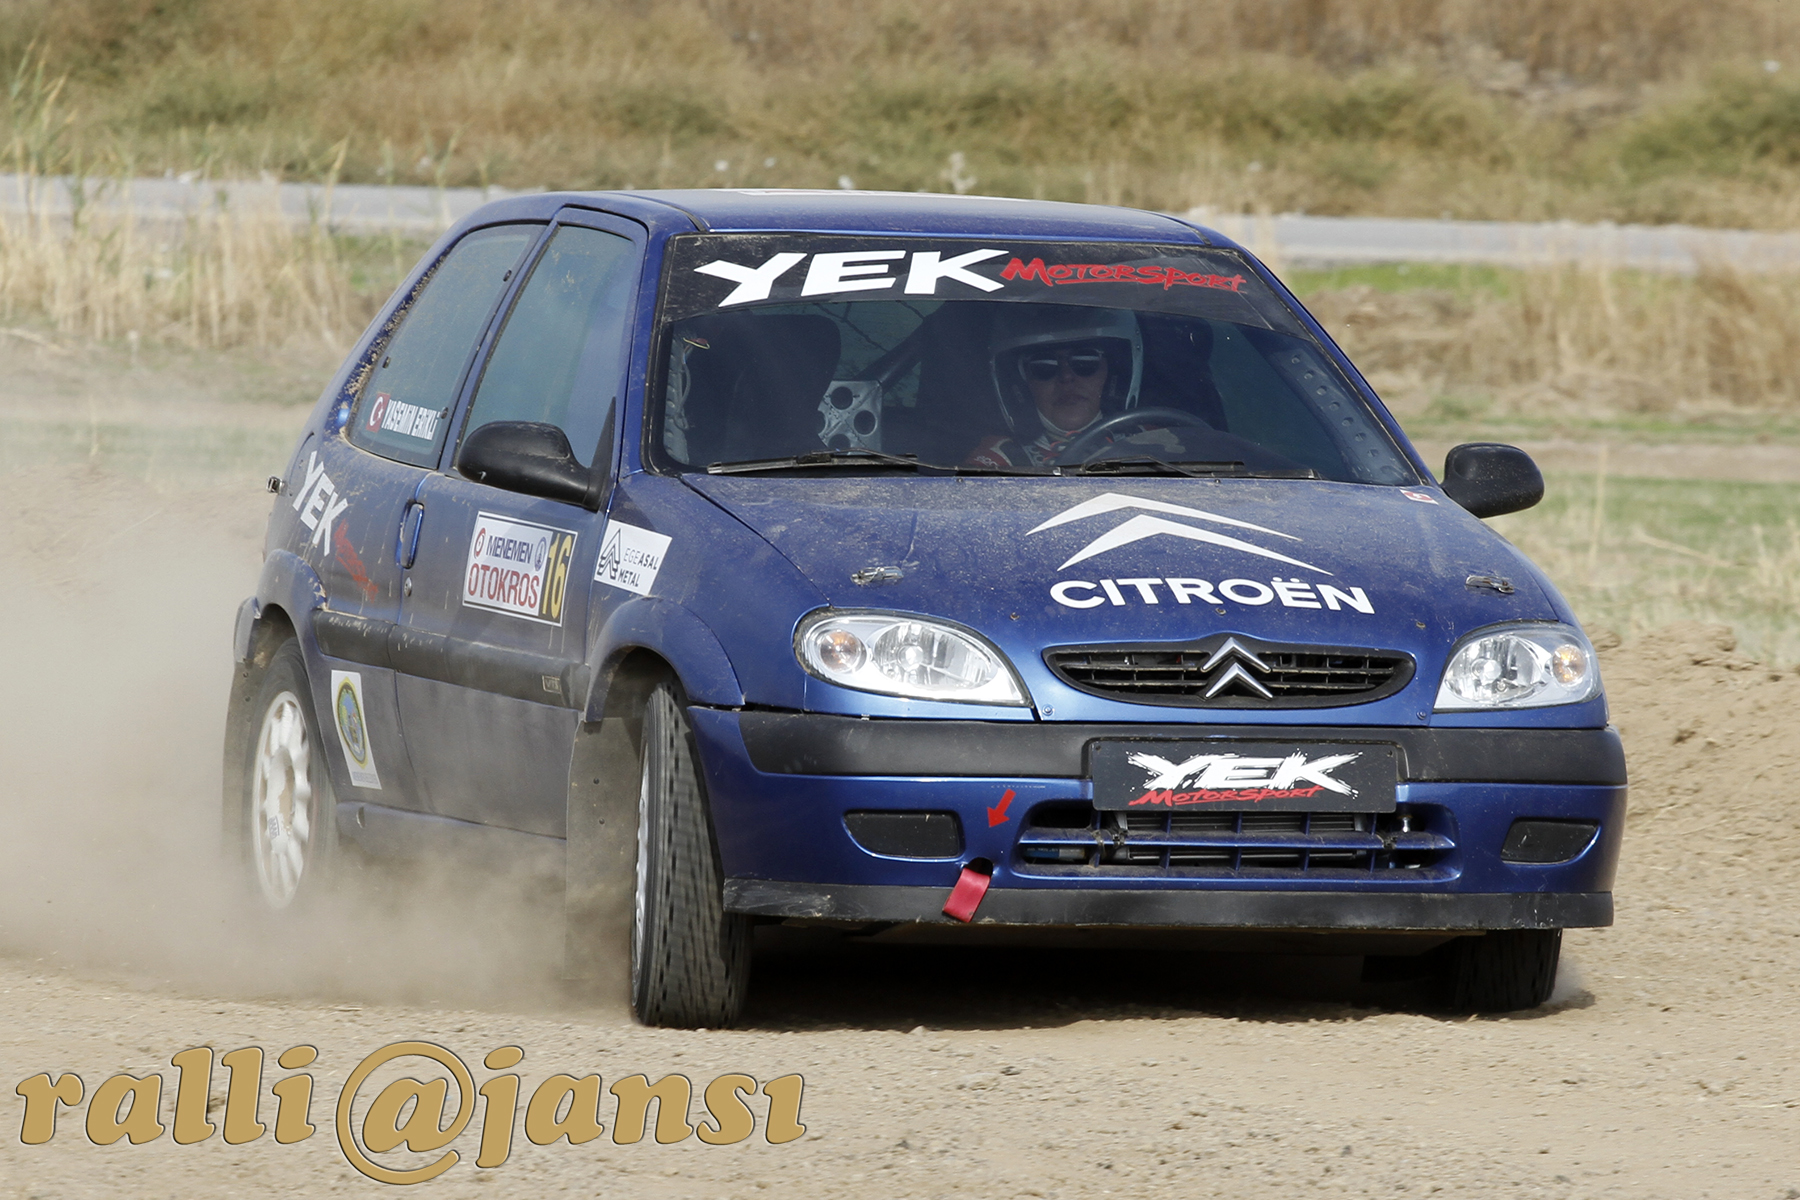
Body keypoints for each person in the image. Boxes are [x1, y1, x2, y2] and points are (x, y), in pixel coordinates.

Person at [964, 305, 1143, 469]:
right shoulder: (997, 462)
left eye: (1085, 361)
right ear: (1022, 384)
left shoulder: (1153, 441)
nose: (1066, 377)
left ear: (1113, 376)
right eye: (1043, 366)